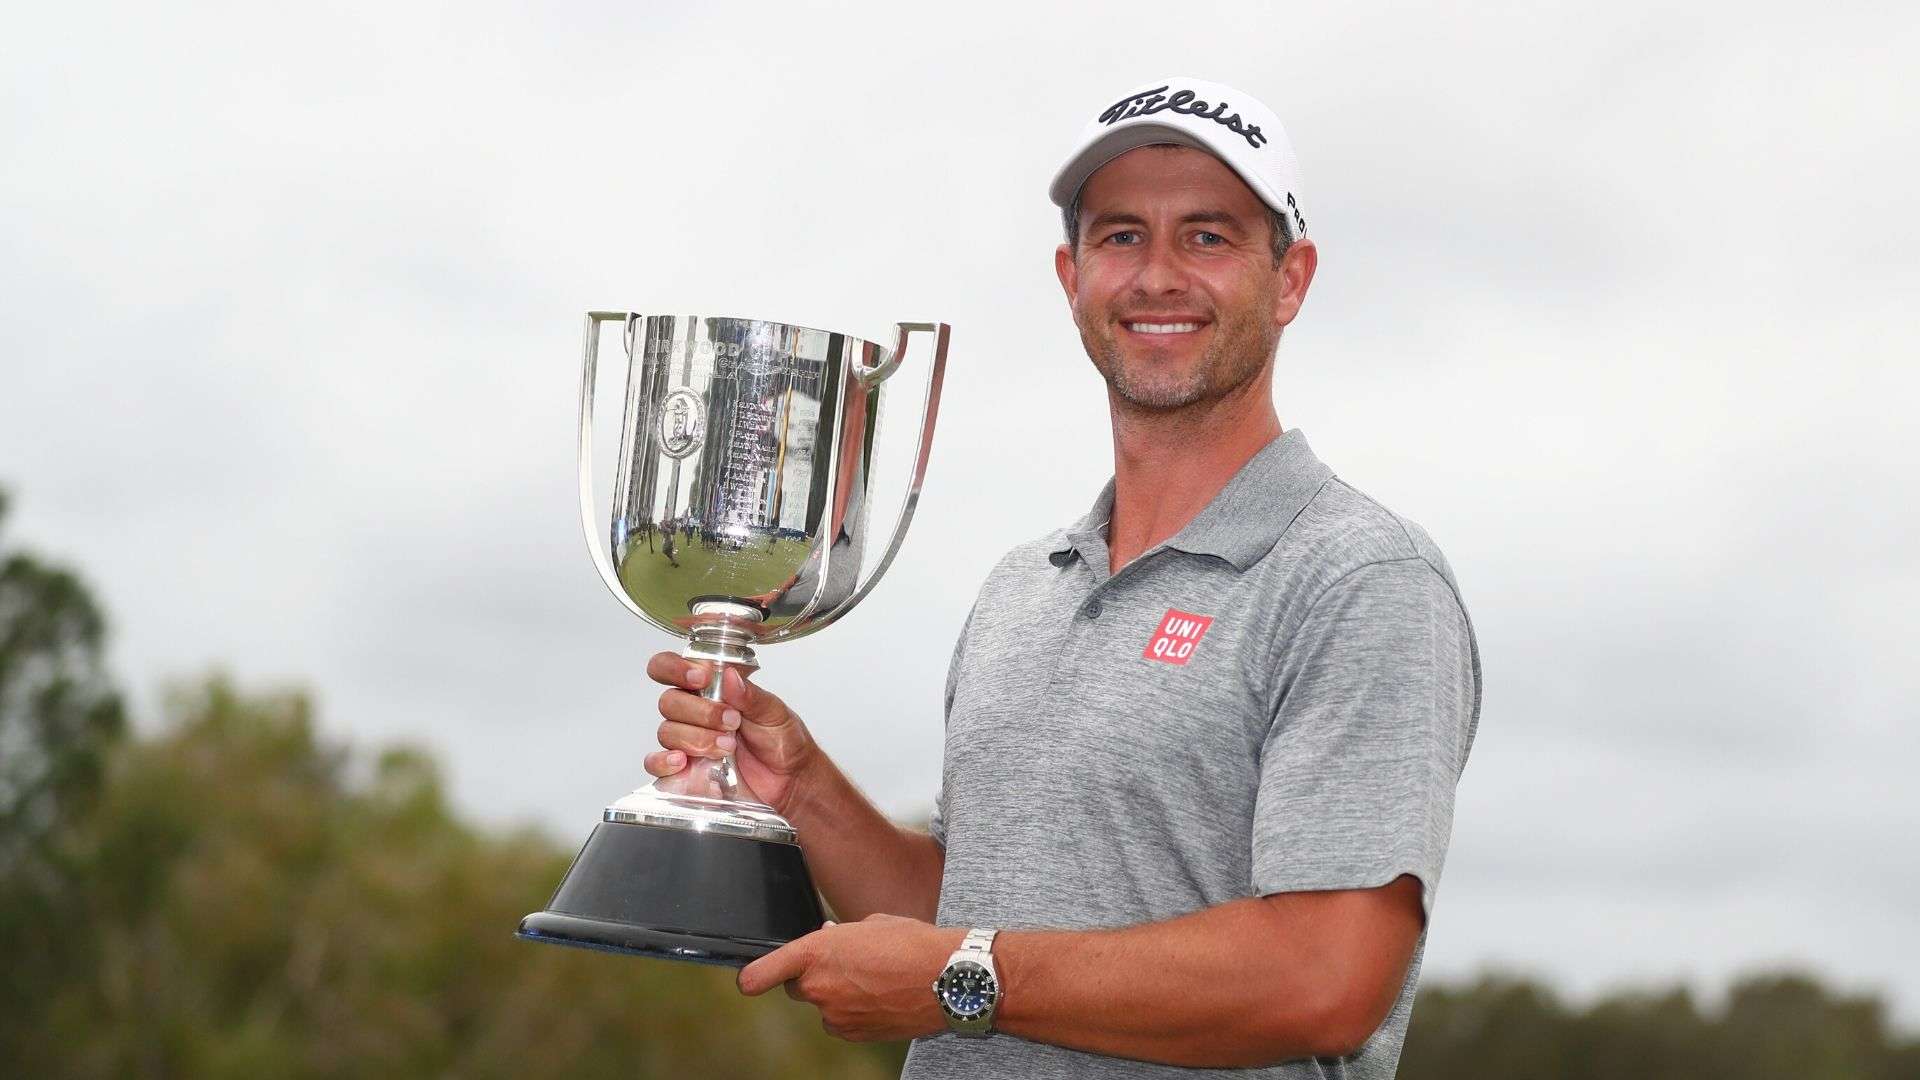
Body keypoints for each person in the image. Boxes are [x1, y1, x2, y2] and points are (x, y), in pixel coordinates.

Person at [640, 76, 1482, 1079]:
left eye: (1207, 237)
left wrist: (964, 972)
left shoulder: (1359, 577)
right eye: (1121, 236)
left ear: (1290, 278)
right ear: (1070, 275)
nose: (1158, 275)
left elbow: (1327, 980)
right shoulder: (1022, 587)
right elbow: (963, 921)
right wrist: (805, 790)